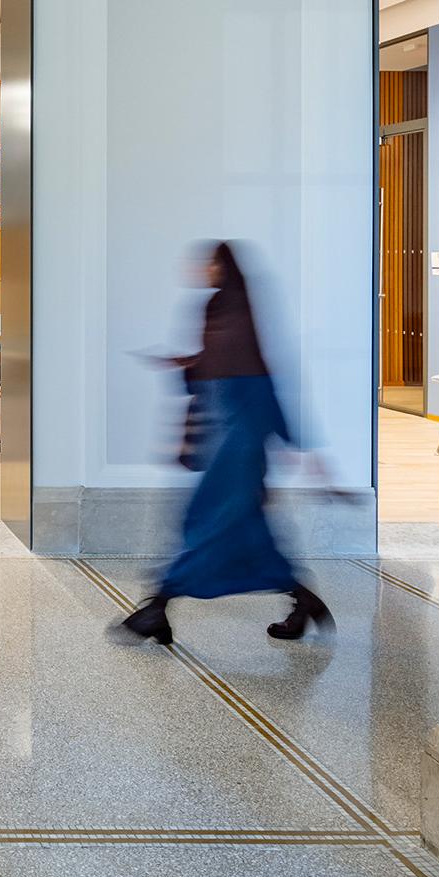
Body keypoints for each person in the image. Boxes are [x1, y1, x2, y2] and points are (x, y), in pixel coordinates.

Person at [117, 241, 333, 648]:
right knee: (249, 533)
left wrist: (301, 447)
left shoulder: (233, 311)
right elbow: (215, 373)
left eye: (211, 263)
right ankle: (303, 600)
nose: (203, 269)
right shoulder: (217, 309)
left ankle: (157, 606)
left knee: (205, 523)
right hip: (225, 441)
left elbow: (258, 383)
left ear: (225, 268)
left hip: (236, 446)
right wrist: (187, 365)